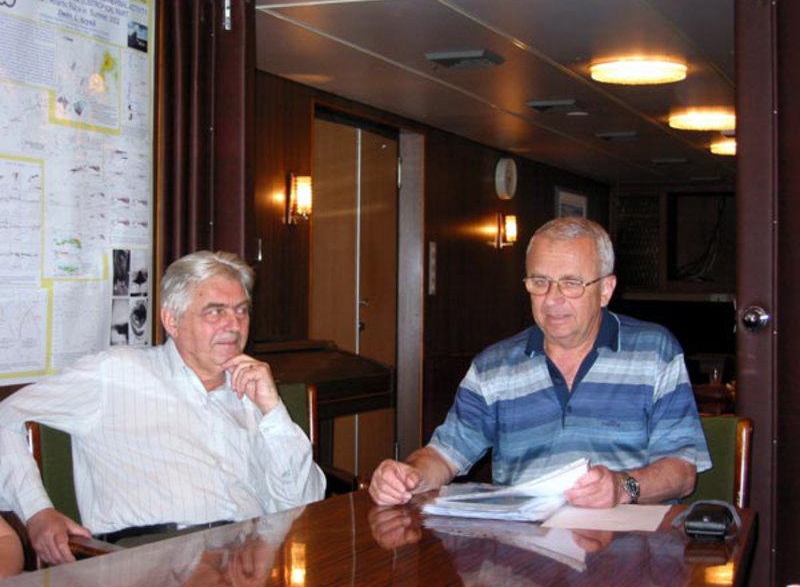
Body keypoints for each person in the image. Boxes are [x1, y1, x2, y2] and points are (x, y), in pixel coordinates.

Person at [0, 251, 325, 565]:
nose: (234, 325)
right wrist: (37, 511)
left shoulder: (251, 393)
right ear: (172, 320)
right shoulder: (114, 373)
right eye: (215, 311)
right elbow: (5, 418)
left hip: (249, 556)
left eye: (241, 311)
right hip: (150, 558)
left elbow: (305, 504)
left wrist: (273, 411)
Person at [370, 217, 710, 508]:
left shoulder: (655, 352)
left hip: (628, 547)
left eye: (571, 283)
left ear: (606, 290)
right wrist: (409, 476)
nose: (552, 299)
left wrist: (623, 487)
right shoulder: (494, 366)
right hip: (521, 549)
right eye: (540, 282)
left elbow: (681, 472)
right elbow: (444, 455)